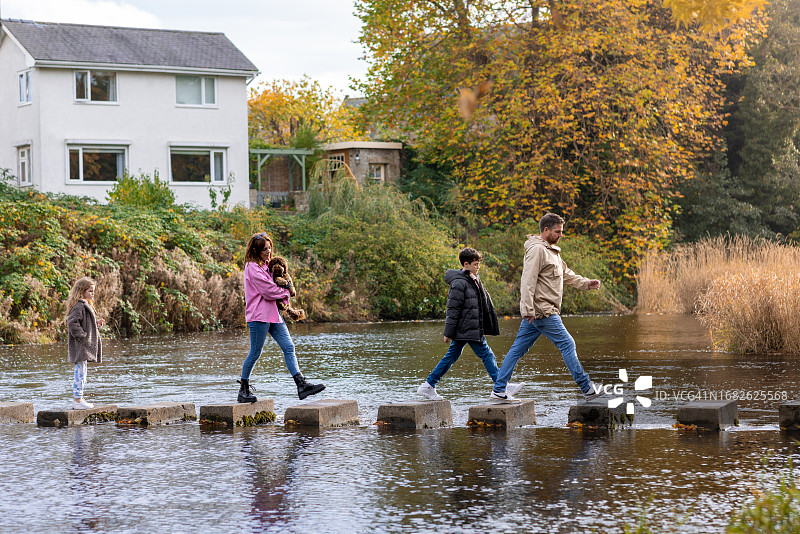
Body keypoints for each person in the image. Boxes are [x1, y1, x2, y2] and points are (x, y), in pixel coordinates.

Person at [489, 213, 602, 402]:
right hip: (543, 311)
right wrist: (527, 310)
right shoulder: (537, 250)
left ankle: (499, 390)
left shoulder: (552, 251)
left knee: (517, 350)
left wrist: (586, 283)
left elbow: (565, 274)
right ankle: (587, 388)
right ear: (546, 229)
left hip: (539, 312)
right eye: (557, 231)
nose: (561, 235)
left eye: (562, 231)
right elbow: (527, 280)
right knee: (567, 344)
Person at [417, 247, 524, 400]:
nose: (478, 267)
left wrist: (483, 325)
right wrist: (448, 333)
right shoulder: (459, 283)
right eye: (475, 264)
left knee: (452, 356)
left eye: (478, 264)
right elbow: (453, 309)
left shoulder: (473, 279)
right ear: (466, 264)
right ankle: (501, 385)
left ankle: (429, 385)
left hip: (471, 327)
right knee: (486, 354)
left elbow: (479, 305)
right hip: (466, 328)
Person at [238, 232, 325, 403]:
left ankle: (301, 385)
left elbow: (277, 282)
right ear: (255, 250)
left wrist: (286, 286)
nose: (268, 252)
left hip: (273, 313)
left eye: (269, 248)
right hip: (259, 316)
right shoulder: (252, 267)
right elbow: (269, 291)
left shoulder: (266, 265)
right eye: (264, 249)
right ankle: (243, 390)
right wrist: (287, 292)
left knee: (289, 347)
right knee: (255, 353)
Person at [66, 277, 104, 409]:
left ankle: (79, 398)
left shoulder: (86, 305)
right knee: (80, 373)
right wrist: (82, 336)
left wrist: (95, 325)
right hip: (80, 345)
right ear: (82, 291)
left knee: (82, 372)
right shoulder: (79, 306)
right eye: (90, 291)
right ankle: (77, 400)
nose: (93, 293)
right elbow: (72, 323)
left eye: (93, 291)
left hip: (83, 346)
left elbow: (84, 324)